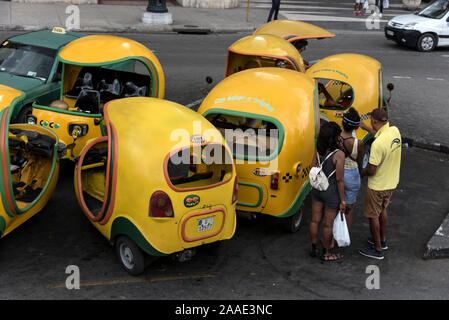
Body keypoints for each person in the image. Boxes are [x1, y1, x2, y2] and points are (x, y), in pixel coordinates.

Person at [359, 108, 401, 260]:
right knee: (382, 210)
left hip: (377, 185)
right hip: (391, 182)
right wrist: (366, 129)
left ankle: (377, 250)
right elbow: (380, 134)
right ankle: (382, 241)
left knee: (373, 215)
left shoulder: (377, 145)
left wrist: (361, 172)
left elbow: (371, 170)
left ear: (374, 121)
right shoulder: (394, 131)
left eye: (371, 120)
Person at [309, 121, 346, 261]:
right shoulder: (339, 155)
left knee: (314, 220)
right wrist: (342, 200)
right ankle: (326, 253)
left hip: (317, 189)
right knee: (327, 224)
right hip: (331, 193)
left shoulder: (318, 150)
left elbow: (313, 168)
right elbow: (339, 180)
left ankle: (314, 248)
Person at [339, 107, 365, 231]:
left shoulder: (335, 137)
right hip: (352, 176)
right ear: (357, 127)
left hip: (337, 173)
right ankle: (345, 236)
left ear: (342, 123)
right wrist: (360, 174)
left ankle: (332, 238)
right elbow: (360, 161)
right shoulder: (359, 144)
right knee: (349, 209)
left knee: (335, 206)